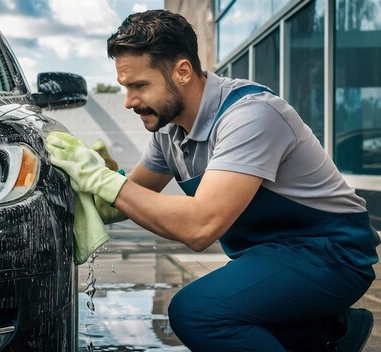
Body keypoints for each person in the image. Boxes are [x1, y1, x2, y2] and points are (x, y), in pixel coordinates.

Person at [45, 9, 380, 352]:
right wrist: (95, 179)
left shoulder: (251, 116)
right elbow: (131, 198)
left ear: (183, 72)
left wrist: (105, 181)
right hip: (274, 256)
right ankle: (328, 334)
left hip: (331, 255)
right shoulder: (169, 132)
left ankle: (320, 330)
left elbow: (200, 228)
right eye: (125, 87)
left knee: (199, 311)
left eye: (139, 86)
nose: (129, 101)